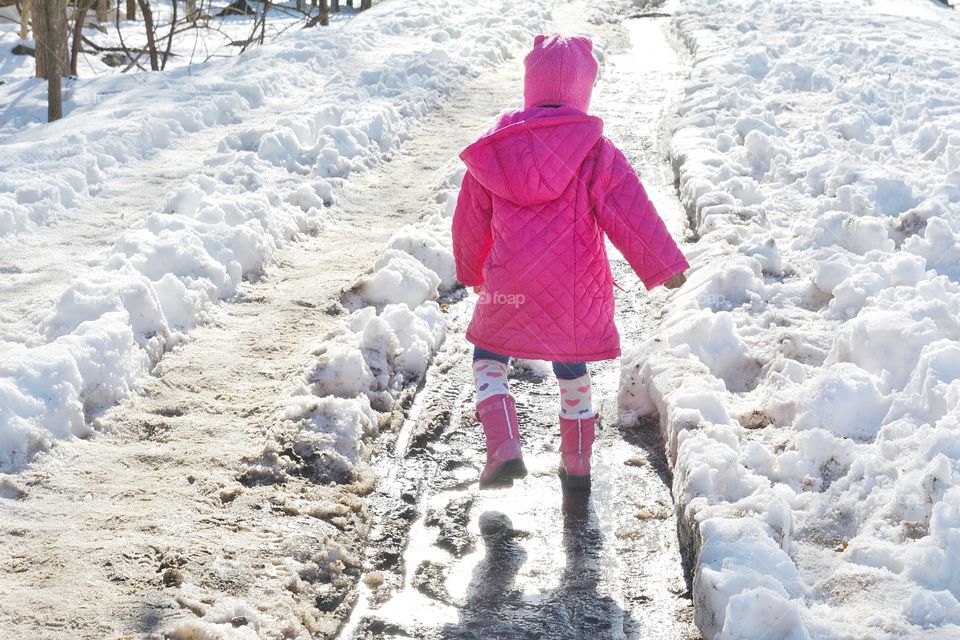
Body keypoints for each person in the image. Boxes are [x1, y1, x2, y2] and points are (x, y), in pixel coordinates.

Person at [452, 33, 688, 491]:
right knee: (571, 365)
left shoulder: (496, 150)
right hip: (574, 291)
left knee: (488, 356)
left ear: (530, 88)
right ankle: (576, 461)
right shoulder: (596, 150)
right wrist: (664, 265)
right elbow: (629, 213)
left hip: (509, 282)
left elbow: (469, 221)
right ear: (583, 91)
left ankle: (503, 445)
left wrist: (471, 272)